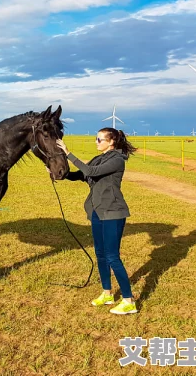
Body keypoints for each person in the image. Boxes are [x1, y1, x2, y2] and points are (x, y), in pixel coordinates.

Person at [56, 128, 138, 315]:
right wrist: (61, 173)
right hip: (97, 211)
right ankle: (107, 293)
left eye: (99, 139)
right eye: (96, 139)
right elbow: (83, 174)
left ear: (111, 142)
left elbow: (91, 171)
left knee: (112, 257)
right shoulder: (99, 158)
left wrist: (68, 153)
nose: (96, 142)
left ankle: (128, 300)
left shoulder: (117, 160)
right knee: (100, 254)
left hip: (113, 213)